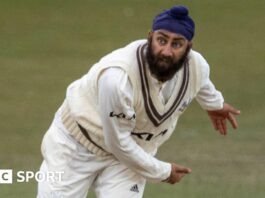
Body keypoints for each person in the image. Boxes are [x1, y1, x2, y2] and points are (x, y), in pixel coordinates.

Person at [37, 5, 240, 198]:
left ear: (189, 48)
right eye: (162, 40)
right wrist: (163, 171)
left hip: (130, 158)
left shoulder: (197, 65)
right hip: (75, 147)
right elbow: (117, 142)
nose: (167, 51)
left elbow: (202, 83)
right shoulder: (117, 78)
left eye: (177, 44)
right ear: (150, 38)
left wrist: (215, 105)